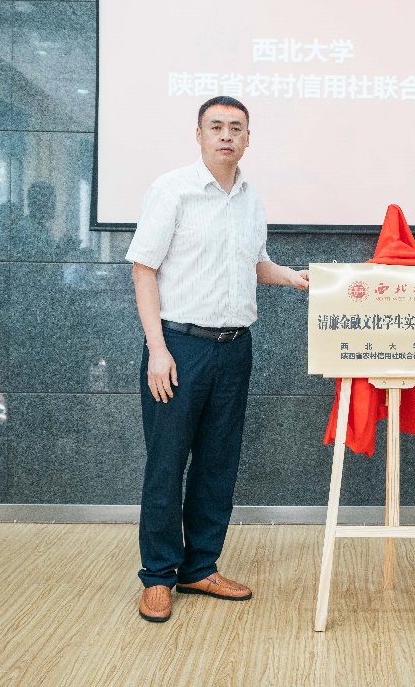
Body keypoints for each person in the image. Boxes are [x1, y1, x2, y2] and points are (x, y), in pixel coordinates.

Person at [125, 96, 309, 623]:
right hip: (179, 347)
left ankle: (200, 566)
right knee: (167, 465)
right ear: (200, 134)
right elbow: (143, 269)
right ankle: (158, 576)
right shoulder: (172, 190)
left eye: (236, 128)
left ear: (248, 138)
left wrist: (293, 277)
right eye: (216, 127)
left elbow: (255, 264)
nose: (227, 135)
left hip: (234, 349)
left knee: (217, 464)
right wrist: (157, 350)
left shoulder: (250, 197)